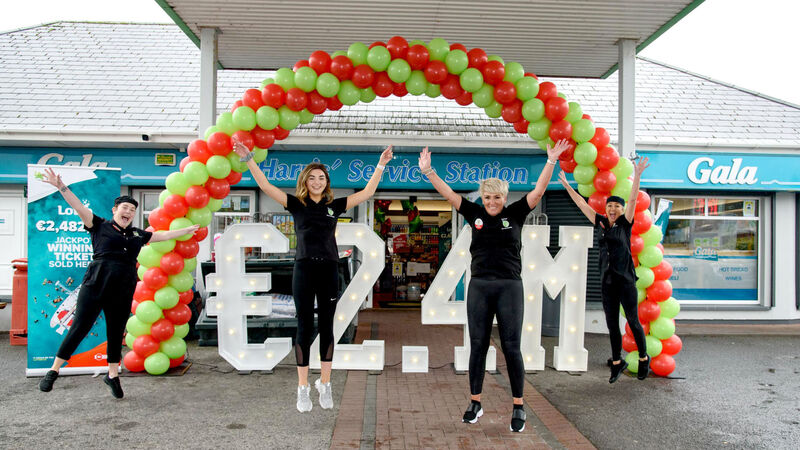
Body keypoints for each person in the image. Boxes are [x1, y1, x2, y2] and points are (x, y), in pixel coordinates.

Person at [418, 139, 569, 432]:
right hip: (479, 288)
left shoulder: (515, 214)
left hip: (509, 287)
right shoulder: (473, 213)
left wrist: (551, 161)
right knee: (477, 346)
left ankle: (518, 406)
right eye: (487, 198)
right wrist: (428, 172)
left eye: (496, 198)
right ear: (482, 198)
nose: (491, 203)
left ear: (504, 197)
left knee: (512, 347)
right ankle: (475, 402)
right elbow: (449, 194)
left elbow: (537, 193)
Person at [232, 138, 392, 412]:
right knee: (304, 327)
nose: (317, 181)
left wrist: (380, 165)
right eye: (312, 178)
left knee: (328, 327)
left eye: (322, 178)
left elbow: (366, 193)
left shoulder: (335, 206)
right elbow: (266, 186)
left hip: (329, 269)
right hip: (304, 269)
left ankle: (325, 384)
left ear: (326, 182)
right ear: (305, 181)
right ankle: (303, 387)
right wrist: (249, 159)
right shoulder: (296, 205)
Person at [38, 168, 200, 398]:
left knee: (115, 333)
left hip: (123, 288)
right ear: (115, 210)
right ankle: (53, 371)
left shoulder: (136, 234)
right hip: (96, 284)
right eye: (125, 208)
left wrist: (186, 230)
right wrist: (61, 186)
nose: (129, 212)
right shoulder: (99, 225)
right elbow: (78, 207)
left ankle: (112, 375)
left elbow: (162, 236)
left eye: (132, 210)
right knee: (79, 328)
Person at [558, 156, 651, 383]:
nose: (612, 209)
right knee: (611, 323)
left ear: (621, 210)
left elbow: (632, 200)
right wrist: (568, 186)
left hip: (626, 280)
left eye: (616, 206)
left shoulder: (624, 224)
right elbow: (581, 204)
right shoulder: (600, 222)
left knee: (632, 320)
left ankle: (643, 357)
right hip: (607, 281)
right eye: (609, 205)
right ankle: (617, 362)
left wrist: (637, 176)